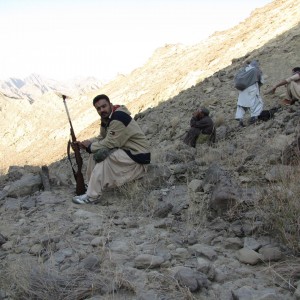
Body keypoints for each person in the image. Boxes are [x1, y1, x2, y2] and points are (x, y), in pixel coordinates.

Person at [72, 94, 151, 204]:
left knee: (104, 158)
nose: (102, 110)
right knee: (94, 153)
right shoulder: (107, 118)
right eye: (98, 108)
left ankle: (92, 196)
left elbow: (110, 143)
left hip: (138, 156)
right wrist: (87, 144)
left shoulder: (118, 117)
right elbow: (102, 137)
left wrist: (90, 146)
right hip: (126, 151)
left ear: (110, 104)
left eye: (104, 106)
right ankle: (91, 185)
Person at [235, 60, 264, 127]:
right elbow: (261, 81)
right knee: (257, 103)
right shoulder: (256, 70)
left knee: (241, 105)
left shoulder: (244, 69)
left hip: (242, 90)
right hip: (252, 88)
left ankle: (240, 119)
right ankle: (254, 118)